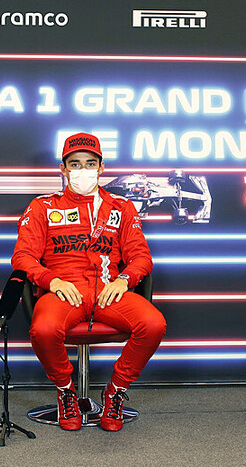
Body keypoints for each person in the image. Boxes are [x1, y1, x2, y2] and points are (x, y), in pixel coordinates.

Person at [12, 132, 166, 431]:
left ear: (101, 167)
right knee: (43, 329)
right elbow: (23, 257)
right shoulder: (43, 206)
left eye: (90, 163)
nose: (83, 170)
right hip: (63, 292)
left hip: (109, 291)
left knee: (154, 324)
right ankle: (66, 391)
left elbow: (141, 257)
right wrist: (51, 280)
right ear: (63, 169)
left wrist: (124, 279)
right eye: (75, 164)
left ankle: (115, 391)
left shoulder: (122, 207)